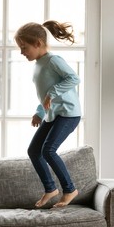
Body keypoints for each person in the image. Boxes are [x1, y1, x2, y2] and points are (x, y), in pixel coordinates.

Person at [14, 20, 81, 208]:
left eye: (24, 47)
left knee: (48, 150)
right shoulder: (38, 64)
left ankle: (70, 189)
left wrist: (52, 93)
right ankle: (50, 189)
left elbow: (74, 78)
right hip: (52, 114)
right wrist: (39, 112)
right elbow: (44, 96)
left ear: (37, 43)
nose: (22, 52)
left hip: (68, 113)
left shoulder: (53, 61)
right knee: (34, 151)